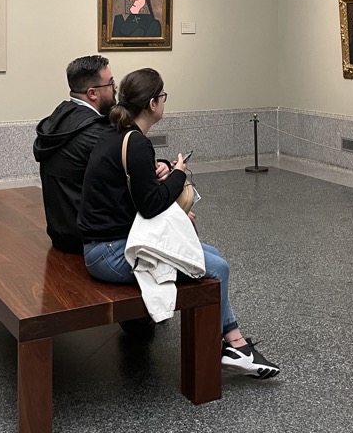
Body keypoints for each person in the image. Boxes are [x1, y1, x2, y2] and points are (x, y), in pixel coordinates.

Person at [79, 68, 280, 379]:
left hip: (105, 243)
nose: (163, 102)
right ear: (152, 104)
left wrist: (160, 168)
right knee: (218, 268)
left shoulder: (116, 133)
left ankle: (234, 344)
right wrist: (178, 174)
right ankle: (228, 347)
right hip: (109, 254)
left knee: (212, 253)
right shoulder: (136, 142)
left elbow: (129, 187)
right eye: (162, 96)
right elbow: (151, 205)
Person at [33, 56, 117, 253]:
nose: (116, 88)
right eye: (111, 83)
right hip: (90, 242)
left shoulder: (59, 117)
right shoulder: (95, 133)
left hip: (61, 234)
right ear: (92, 93)